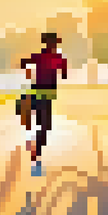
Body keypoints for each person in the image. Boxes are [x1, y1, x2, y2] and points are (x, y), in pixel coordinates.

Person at [18, 32, 68, 177]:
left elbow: (23, 62)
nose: (54, 45)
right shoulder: (56, 58)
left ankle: (36, 145)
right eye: (54, 43)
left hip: (40, 93)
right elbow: (64, 75)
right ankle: (37, 147)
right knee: (45, 125)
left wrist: (28, 68)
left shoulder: (42, 56)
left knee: (43, 123)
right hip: (44, 94)